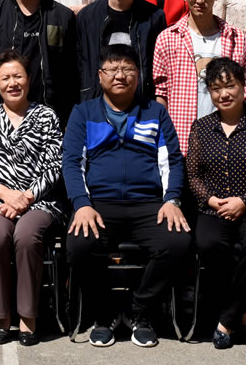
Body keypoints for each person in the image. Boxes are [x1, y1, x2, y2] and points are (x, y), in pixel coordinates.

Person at [63, 45, 190, 349]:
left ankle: (140, 311)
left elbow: (172, 160)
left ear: (138, 74)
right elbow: (72, 162)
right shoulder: (83, 112)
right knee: (79, 246)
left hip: (148, 204)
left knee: (178, 242)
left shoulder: (155, 112)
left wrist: (172, 200)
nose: (120, 75)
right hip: (99, 204)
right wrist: (82, 204)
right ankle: (104, 314)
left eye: (127, 69)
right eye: (112, 69)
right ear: (100, 75)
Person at [185, 57, 246, 350]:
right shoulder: (201, 127)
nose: (224, 94)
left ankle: (226, 320)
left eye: (230, 86)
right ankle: (242, 310)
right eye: (216, 89)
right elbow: (193, 174)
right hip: (214, 208)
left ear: (243, 86)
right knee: (208, 243)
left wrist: (245, 201)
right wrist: (210, 199)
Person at [0, 50, 67, 347]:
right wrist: (7, 195)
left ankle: (28, 315)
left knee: (26, 236)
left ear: (29, 78)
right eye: (5, 78)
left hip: (40, 201)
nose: (12, 83)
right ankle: (1, 314)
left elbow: (55, 165)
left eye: (18, 76)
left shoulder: (46, 116)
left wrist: (27, 197)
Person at [153, 0, 246, 159]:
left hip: (227, 142)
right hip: (180, 140)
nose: (200, 0)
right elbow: (161, 93)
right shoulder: (167, 38)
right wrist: (164, 140)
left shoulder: (235, 38)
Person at [76, 0, 165, 102]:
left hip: (141, 103)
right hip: (96, 103)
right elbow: (78, 65)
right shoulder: (87, 17)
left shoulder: (154, 16)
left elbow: (160, 67)